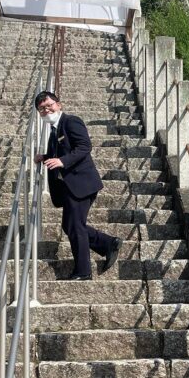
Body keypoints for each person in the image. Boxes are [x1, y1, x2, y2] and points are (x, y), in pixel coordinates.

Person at [34, 90, 121, 281]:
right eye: (42, 109)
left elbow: (84, 146)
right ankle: (108, 243)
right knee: (70, 225)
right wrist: (45, 157)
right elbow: (61, 151)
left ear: (59, 104)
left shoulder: (71, 121)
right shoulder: (54, 132)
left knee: (75, 226)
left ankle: (83, 271)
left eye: (49, 105)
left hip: (81, 183)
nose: (47, 110)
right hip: (70, 186)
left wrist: (62, 161)